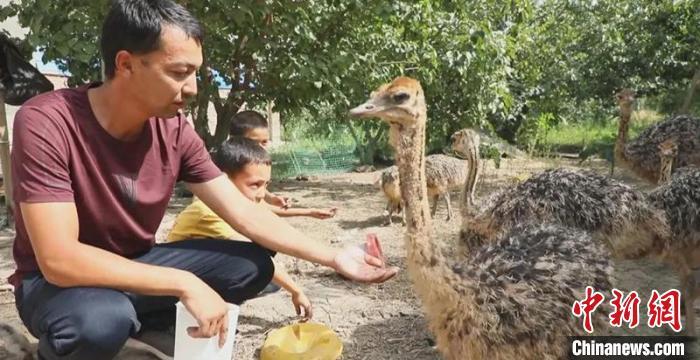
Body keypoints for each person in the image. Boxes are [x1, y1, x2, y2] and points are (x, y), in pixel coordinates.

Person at [9, 1, 398, 359]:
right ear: (126, 65)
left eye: (195, 72)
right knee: (100, 323)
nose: (193, 88)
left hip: (134, 263)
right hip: (54, 283)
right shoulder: (48, 121)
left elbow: (244, 213)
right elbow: (59, 258)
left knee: (252, 266)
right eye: (179, 73)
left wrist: (333, 256)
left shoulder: (174, 130)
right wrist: (183, 283)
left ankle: (146, 323)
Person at [167, 137, 323, 320]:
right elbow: (257, 253)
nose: (262, 194)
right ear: (223, 180)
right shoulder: (207, 211)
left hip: (202, 264)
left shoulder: (238, 203)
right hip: (177, 278)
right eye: (255, 185)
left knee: (264, 273)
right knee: (256, 262)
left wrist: (309, 212)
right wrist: (296, 291)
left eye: (266, 185)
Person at [228, 110, 290, 209]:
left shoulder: (254, 164)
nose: (261, 148)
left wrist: (271, 198)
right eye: (254, 142)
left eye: (264, 142)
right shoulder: (227, 168)